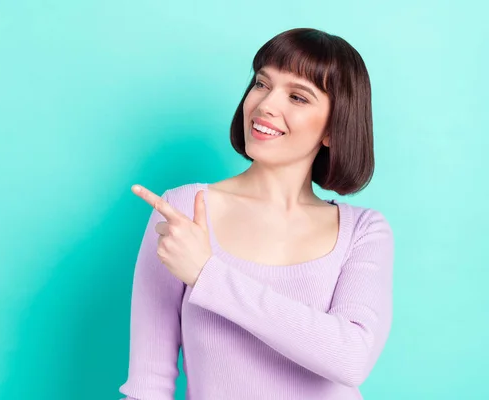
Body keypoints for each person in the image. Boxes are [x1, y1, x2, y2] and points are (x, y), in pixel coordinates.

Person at [119, 27, 394, 400]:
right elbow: (148, 384)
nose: (265, 104)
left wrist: (208, 275)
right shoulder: (184, 210)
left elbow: (350, 358)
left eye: (298, 96)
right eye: (262, 84)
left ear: (332, 129)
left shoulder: (363, 231)